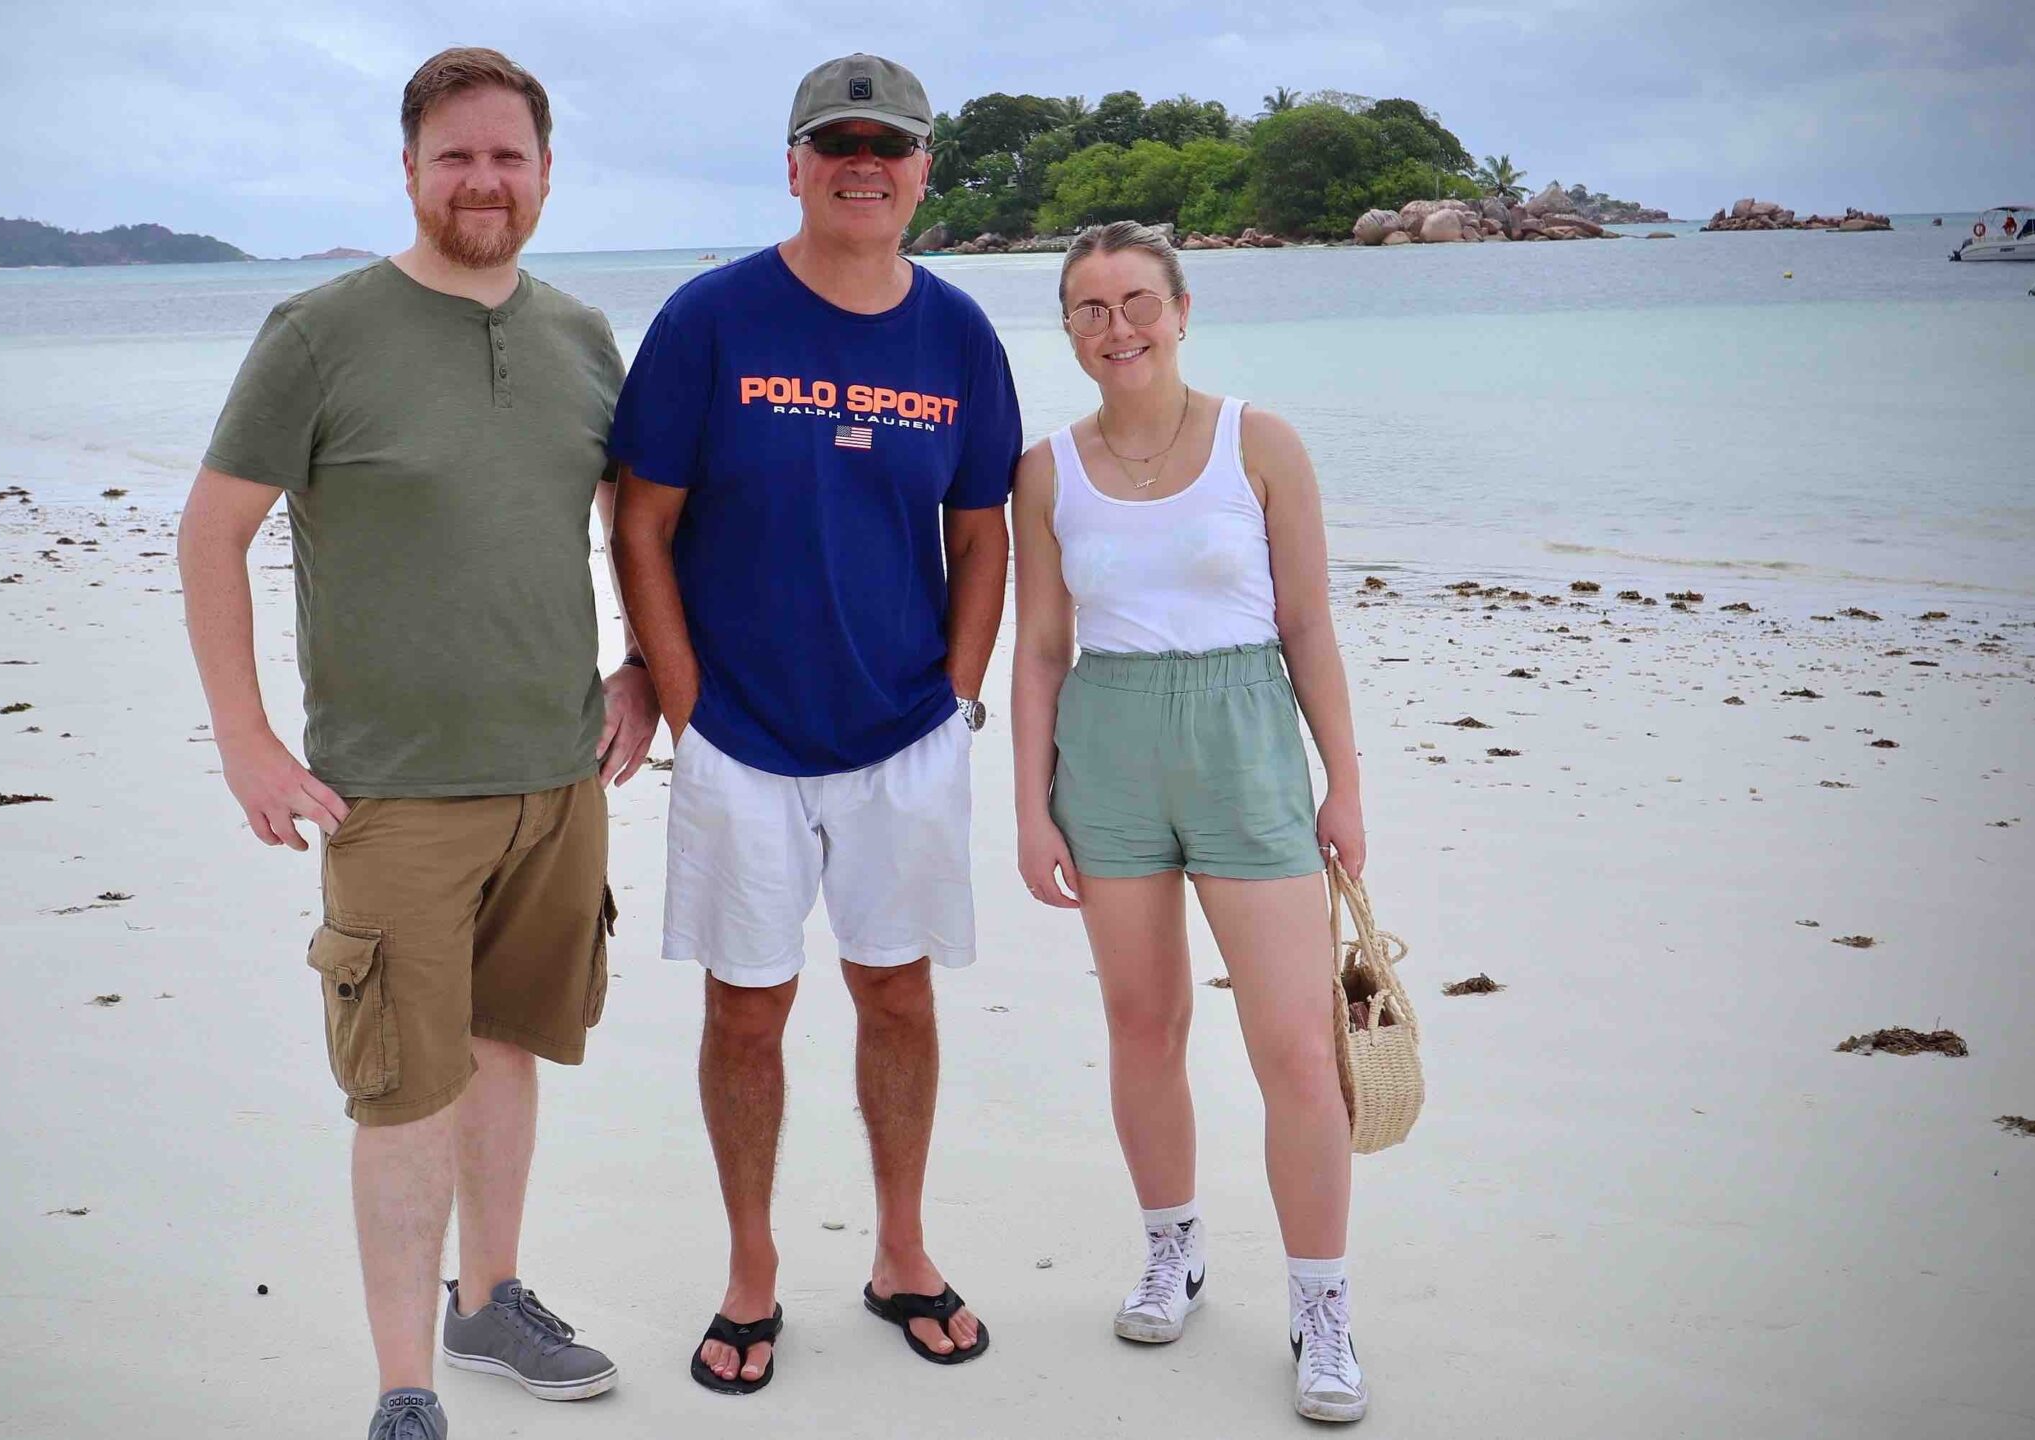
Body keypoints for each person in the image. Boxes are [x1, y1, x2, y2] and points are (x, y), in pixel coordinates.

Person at [177, 46, 656, 1440]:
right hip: (392, 794)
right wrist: (246, 737)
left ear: (548, 173)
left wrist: (642, 666)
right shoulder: (320, 332)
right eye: (456, 157)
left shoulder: (577, 336)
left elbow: (633, 519)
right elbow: (215, 530)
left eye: (509, 156)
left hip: (561, 781)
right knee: (401, 1091)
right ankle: (406, 1388)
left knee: (508, 1050)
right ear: (409, 171)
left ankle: (491, 1301)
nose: (484, 181)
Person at [608, 52, 1019, 1395]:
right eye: (835, 142)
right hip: (743, 737)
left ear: (920, 174)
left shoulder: (958, 334)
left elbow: (983, 533)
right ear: (792, 164)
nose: (863, 163)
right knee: (747, 1009)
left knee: (895, 992)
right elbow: (642, 521)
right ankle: (751, 1270)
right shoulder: (710, 319)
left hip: (904, 732)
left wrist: (958, 695)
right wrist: (684, 702)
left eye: (888, 145)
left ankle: (902, 1251)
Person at [1007, 222, 1373, 1423]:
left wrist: (1344, 784)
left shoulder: (1258, 442)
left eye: (1135, 302)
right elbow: (1043, 652)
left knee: (1295, 1047)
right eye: (1088, 310)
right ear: (1067, 331)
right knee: (1143, 1023)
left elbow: (1308, 626)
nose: (1117, 329)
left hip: (1243, 744)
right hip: (1106, 753)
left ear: (1181, 308)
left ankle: (1321, 1306)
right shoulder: (1044, 469)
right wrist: (1030, 807)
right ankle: (1173, 1250)